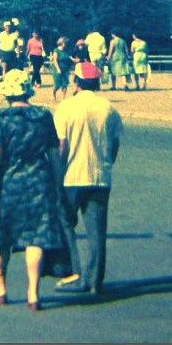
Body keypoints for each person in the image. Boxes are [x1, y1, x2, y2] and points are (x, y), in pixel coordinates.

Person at [0, 70, 67, 311]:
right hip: (39, 182)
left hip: (7, 184)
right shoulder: (44, 117)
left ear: (7, 94)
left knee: (2, 236)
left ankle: (0, 287)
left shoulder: (2, 119)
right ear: (28, 92)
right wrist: (58, 185)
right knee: (35, 237)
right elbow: (54, 155)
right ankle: (33, 293)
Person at [53, 62, 123, 295]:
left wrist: (57, 172)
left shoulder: (66, 107)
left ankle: (74, 272)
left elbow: (61, 146)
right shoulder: (109, 109)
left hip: (72, 176)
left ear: (77, 82)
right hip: (100, 176)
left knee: (64, 223)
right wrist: (106, 164)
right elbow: (114, 145)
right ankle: (94, 282)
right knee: (97, 231)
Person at [50, 37, 73, 102]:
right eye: (65, 43)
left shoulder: (66, 51)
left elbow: (69, 59)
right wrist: (58, 69)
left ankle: (63, 98)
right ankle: (53, 94)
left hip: (66, 69)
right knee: (57, 84)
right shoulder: (56, 50)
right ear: (62, 43)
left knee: (65, 84)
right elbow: (55, 60)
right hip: (58, 69)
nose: (66, 44)